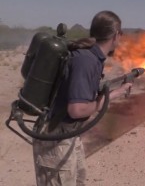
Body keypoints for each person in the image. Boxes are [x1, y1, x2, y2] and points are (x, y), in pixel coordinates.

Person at [32, 10, 132, 186]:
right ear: (116, 35)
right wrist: (107, 99)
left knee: (78, 180)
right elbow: (77, 109)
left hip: (69, 134)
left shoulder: (93, 57)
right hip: (56, 136)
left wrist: (115, 92)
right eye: (121, 33)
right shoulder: (87, 60)